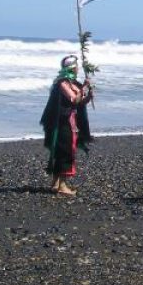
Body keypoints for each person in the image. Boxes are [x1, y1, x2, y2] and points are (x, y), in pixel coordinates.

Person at [40, 55, 93, 196]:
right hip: (62, 122)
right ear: (72, 67)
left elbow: (81, 102)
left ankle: (55, 183)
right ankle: (62, 186)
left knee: (63, 150)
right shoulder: (62, 83)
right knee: (64, 151)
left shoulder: (73, 82)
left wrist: (88, 96)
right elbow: (74, 99)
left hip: (71, 121)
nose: (78, 68)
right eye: (76, 66)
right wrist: (85, 87)